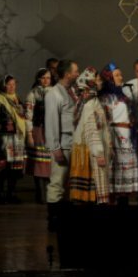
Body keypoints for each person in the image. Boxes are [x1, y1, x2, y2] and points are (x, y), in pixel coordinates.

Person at [44, 59, 79, 231]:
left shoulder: (72, 91)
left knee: (69, 184)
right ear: (67, 74)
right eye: (75, 71)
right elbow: (51, 122)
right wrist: (55, 148)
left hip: (74, 144)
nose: (78, 74)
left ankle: (65, 218)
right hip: (63, 145)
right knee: (57, 182)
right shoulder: (54, 93)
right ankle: (54, 220)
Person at [69, 68, 111, 204]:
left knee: (86, 197)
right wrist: (98, 153)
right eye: (97, 80)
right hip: (89, 152)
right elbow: (91, 129)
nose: (100, 82)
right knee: (90, 195)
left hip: (87, 148)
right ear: (90, 82)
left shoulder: (85, 101)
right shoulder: (89, 103)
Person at [99, 63, 138, 200]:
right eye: (116, 75)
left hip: (126, 136)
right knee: (115, 170)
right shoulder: (105, 98)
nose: (121, 77)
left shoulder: (123, 95)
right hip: (114, 136)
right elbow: (104, 120)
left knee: (125, 170)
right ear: (109, 78)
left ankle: (124, 201)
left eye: (120, 74)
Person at [0, 75, 27, 204]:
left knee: (15, 167)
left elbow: (23, 117)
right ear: (3, 85)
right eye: (9, 84)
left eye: (14, 84)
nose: (11, 87)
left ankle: (11, 193)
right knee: (2, 166)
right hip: (4, 138)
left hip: (17, 138)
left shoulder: (17, 99)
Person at [24, 68, 53, 204]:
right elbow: (28, 116)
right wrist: (29, 134)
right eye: (43, 78)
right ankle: (40, 194)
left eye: (48, 78)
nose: (46, 80)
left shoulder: (55, 92)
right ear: (38, 79)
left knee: (50, 163)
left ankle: (49, 193)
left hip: (52, 131)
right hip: (39, 130)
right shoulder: (33, 94)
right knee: (39, 162)